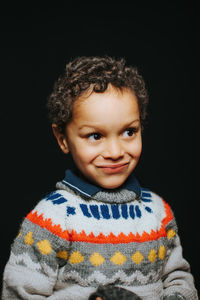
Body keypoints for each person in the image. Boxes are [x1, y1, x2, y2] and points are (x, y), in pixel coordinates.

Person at [2, 56, 198, 300]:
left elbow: (177, 278)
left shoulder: (158, 212)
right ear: (62, 138)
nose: (115, 152)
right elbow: (19, 294)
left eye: (129, 132)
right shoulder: (52, 218)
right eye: (95, 136)